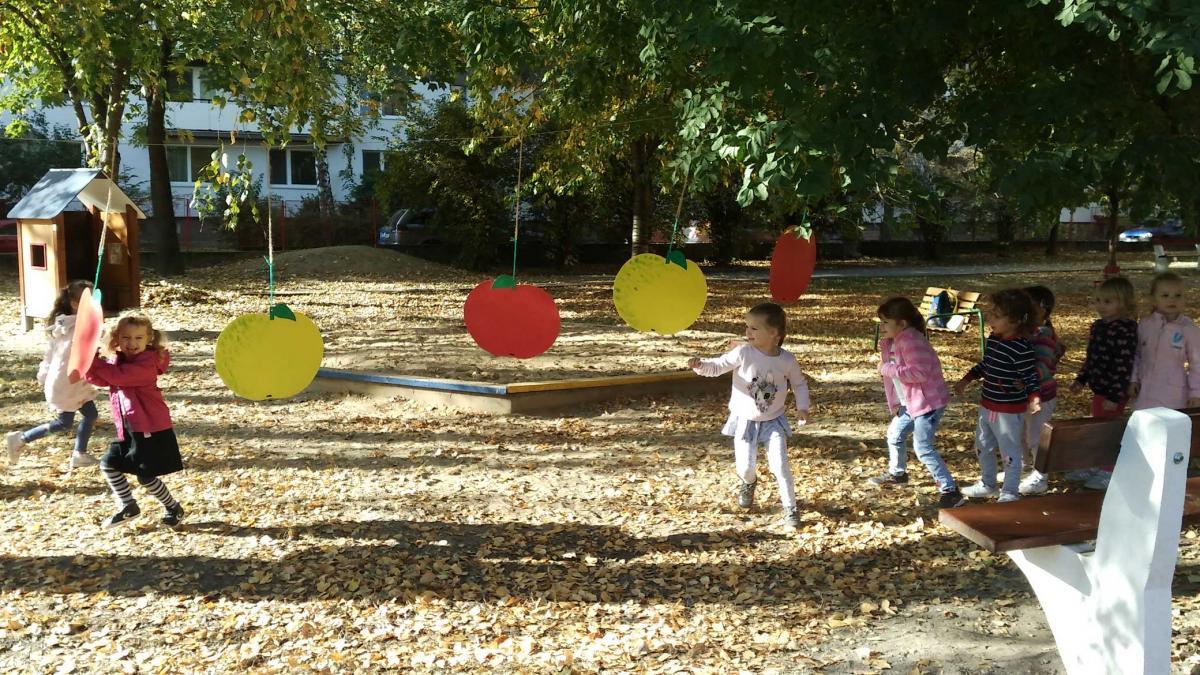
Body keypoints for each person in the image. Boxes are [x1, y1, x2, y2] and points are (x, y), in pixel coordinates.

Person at [688, 302, 809, 529]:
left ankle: (790, 508)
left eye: (754, 328)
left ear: (774, 333)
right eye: (747, 327)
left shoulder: (787, 360)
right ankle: (749, 482)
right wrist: (700, 365)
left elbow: (799, 384)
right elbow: (718, 366)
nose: (747, 332)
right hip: (745, 420)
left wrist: (803, 407)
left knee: (780, 466)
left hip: (773, 421)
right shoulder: (743, 353)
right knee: (745, 468)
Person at [85, 312, 185, 529]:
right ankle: (128, 505)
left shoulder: (147, 363)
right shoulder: (119, 360)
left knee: (145, 476)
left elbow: (119, 376)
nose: (132, 343)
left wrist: (93, 362)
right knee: (109, 464)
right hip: (129, 426)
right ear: (116, 339)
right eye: (126, 337)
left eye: (138, 338)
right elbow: (103, 378)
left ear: (149, 338)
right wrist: (87, 362)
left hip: (150, 428)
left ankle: (173, 508)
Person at [870, 297, 963, 508]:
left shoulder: (911, 341)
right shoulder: (895, 341)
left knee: (923, 448)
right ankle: (898, 474)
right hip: (910, 403)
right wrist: (895, 401)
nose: (882, 326)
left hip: (927, 403)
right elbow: (896, 378)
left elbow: (919, 372)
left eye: (886, 322)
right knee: (895, 435)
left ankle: (950, 491)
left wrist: (887, 369)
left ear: (902, 323)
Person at [953, 288, 1041, 502]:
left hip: (1008, 410)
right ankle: (988, 484)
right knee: (983, 445)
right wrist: (967, 379)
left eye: (997, 316)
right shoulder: (993, 339)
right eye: (991, 314)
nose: (990, 319)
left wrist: (1033, 397)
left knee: (1010, 451)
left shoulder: (1021, 348)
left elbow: (1030, 375)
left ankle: (1010, 491)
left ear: (1015, 321)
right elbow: (987, 364)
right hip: (987, 404)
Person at [6, 280, 101, 470]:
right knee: (63, 423)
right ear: (75, 304)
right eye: (88, 301)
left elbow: (51, 354)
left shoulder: (72, 324)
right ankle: (21, 439)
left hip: (76, 382)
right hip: (64, 384)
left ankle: (79, 453)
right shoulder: (69, 327)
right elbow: (68, 349)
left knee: (91, 414)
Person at [1069, 276, 1138, 490]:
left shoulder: (1126, 329)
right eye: (1098, 300)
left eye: (1107, 302)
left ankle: (1108, 470)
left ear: (1123, 303)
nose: (1101, 306)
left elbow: (1124, 364)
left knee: (1108, 430)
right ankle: (1095, 464)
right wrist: (1081, 379)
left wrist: (1114, 396)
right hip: (1099, 388)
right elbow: (1092, 357)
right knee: (1098, 427)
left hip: (1113, 392)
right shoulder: (1098, 326)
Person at [1017, 286, 1067, 496]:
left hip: (1041, 396)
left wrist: (1026, 380)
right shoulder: (1028, 331)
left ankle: (1040, 476)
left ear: (1042, 308)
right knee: (1020, 433)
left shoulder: (1043, 333)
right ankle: (1023, 466)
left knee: (1036, 436)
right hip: (1025, 395)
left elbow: (1043, 365)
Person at [1129, 272, 1200, 411]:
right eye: (1165, 295)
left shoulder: (1188, 328)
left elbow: (1197, 363)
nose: (1172, 300)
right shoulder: (1145, 324)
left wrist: (1196, 393)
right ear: (1154, 299)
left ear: (1184, 298)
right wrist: (1133, 379)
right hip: (1143, 394)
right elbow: (1136, 354)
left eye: (1178, 295)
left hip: (1173, 397)